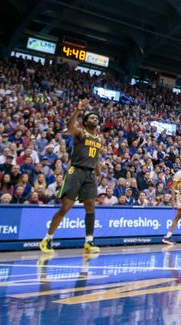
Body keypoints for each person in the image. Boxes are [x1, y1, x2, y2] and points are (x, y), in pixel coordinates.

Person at [40, 100, 102, 254]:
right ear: (86, 121)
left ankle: (89, 241)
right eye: (91, 117)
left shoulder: (99, 139)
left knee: (90, 206)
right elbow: (70, 127)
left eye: (96, 118)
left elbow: (96, 157)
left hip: (89, 173)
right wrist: (77, 111)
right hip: (76, 171)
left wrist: (99, 173)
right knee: (66, 206)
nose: (94, 119)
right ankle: (47, 238)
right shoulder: (80, 133)